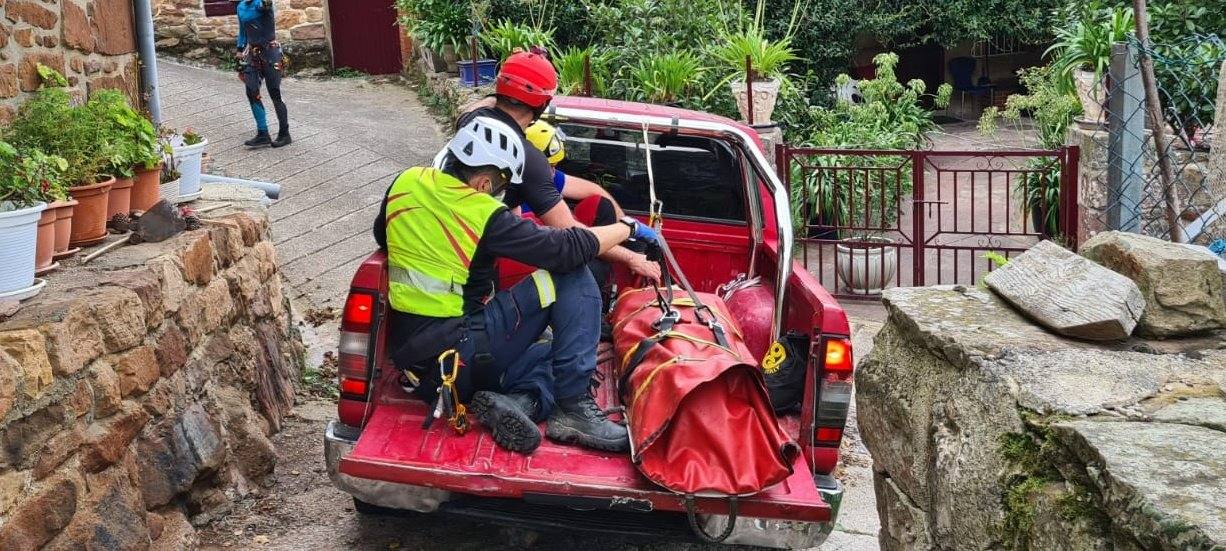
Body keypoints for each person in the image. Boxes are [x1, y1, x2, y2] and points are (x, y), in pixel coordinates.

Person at [372, 116, 658, 455]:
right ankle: (573, 408)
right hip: (462, 358)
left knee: (554, 352)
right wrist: (628, 227)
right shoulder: (483, 213)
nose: (502, 196)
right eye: (502, 187)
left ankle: (522, 403)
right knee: (573, 277)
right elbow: (566, 250)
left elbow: (382, 235)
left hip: (420, 371)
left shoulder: (406, 182)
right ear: (482, 183)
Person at [449, 51, 660, 288]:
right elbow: (574, 240)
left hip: (448, 250)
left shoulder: (469, 124)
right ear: (543, 104)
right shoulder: (526, 158)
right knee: (580, 278)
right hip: (473, 281)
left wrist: (501, 93)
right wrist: (631, 244)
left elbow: (473, 108)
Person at [234, 0, 291, 148]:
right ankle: (263, 133)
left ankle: (285, 134)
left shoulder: (262, 4)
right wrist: (239, 54)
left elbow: (266, 4)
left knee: (274, 92)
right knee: (251, 91)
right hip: (252, 55)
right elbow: (242, 32)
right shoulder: (240, 7)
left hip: (271, 54)